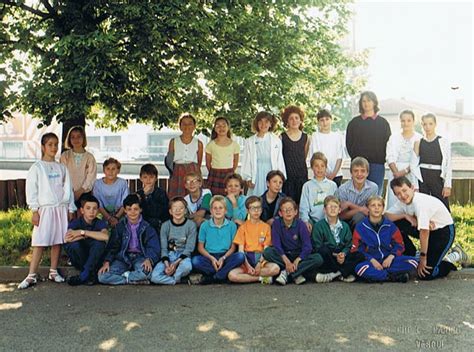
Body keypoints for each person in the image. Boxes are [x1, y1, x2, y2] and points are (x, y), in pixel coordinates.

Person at [18, 133, 76, 289]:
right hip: (45, 209)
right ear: (43, 147)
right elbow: (32, 190)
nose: (54, 148)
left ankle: (53, 271)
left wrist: (71, 208)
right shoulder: (37, 168)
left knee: (57, 240)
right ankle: (31, 275)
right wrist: (34, 210)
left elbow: (68, 189)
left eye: (56, 144)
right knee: (40, 241)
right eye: (50, 144)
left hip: (60, 208)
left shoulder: (61, 168)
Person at [385, 176, 469, 280]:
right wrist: (405, 216)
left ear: (412, 188)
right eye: (398, 193)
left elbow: (424, 232)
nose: (402, 195)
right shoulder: (402, 202)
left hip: (443, 232)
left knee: (427, 273)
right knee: (394, 223)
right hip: (428, 230)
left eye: (404, 190)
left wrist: (423, 258)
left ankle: (454, 256)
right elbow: (386, 216)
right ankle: (411, 253)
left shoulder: (419, 203)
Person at [352, 195, 418, 283]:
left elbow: (400, 245)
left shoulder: (390, 225)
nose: (376, 208)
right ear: (368, 208)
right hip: (371, 261)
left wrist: (391, 257)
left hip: (389, 260)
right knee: (360, 269)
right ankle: (392, 277)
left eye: (379, 205)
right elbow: (357, 250)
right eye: (373, 205)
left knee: (413, 262)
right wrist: (372, 260)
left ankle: (379, 275)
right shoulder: (360, 227)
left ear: (383, 209)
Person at [98, 194, 160, 285]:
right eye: (129, 209)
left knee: (147, 273)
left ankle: (126, 277)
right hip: (122, 257)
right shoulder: (120, 226)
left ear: (140, 210)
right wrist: (107, 261)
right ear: (125, 210)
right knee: (102, 276)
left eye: (136, 209)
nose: (132, 212)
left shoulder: (147, 227)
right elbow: (112, 246)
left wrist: (149, 259)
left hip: (140, 257)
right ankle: (131, 279)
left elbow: (153, 246)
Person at [263, 197, 323, 285]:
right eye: (285, 210)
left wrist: (298, 259)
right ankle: (296, 273)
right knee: (267, 252)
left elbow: (307, 246)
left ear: (295, 212)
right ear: (280, 213)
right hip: (283, 254)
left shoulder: (301, 224)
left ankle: (287, 273)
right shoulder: (276, 223)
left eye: (290, 209)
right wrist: (287, 261)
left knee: (318, 258)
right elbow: (276, 244)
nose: (288, 212)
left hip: (298, 254)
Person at [191, 195, 245, 284]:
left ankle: (215, 277)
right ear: (211, 211)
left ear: (225, 211)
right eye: (215, 208)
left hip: (226, 256)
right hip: (209, 256)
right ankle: (223, 275)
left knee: (240, 256)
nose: (218, 210)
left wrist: (223, 258)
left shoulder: (231, 225)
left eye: (221, 208)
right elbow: (200, 247)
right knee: (195, 261)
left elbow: (233, 247)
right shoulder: (205, 225)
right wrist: (212, 258)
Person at [310, 196, 364, 283]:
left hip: (342, 255)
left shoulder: (345, 226)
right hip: (329, 255)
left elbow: (349, 244)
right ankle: (344, 272)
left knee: (359, 255)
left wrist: (343, 253)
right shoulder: (318, 226)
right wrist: (336, 255)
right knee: (323, 250)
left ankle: (336, 274)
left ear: (339, 210)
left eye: (335, 207)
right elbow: (317, 246)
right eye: (330, 207)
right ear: (324, 210)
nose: (333, 209)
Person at [346, 91, 391, 195]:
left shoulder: (383, 123)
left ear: (374, 102)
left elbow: (388, 144)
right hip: (358, 165)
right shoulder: (354, 123)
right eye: (364, 101)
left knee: (374, 197)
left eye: (369, 100)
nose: (366, 103)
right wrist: (357, 159)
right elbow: (349, 144)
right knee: (357, 195)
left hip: (377, 165)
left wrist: (381, 159)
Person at [228, 196, 280, 284]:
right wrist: (248, 266)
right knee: (232, 275)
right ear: (248, 211)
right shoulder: (242, 228)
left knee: (275, 269)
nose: (256, 211)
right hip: (247, 258)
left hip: (261, 259)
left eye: (258, 208)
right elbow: (241, 250)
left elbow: (266, 249)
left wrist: (259, 263)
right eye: (253, 208)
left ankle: (249, 277)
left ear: (261, 209)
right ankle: (260, 279)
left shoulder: (266, 227)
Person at [64, 194, 109, 286]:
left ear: (98, 211)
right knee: (74, 245)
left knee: (99, 244)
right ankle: (89, 273)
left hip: (94, 256)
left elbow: (105, 236)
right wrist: (92, 235)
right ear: (82, 210)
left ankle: (84, 275)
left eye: (94, 209)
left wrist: (82, 232)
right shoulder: (75, 222)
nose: (91, 212)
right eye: (88, 208)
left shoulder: (100, 222)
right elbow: (67, 238)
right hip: (79, 258)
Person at [151, 197, 197, 285]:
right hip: (169, 255)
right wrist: (167, 264)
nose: (178, 211)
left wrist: (175, 264)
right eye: (175, 208)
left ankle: (172, 278)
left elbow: (189, 249)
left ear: (185, 211)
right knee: (154, 277)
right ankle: (175, 280)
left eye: (181, 208)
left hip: (183, 256)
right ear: (170, 211)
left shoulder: (191, 225)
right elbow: (164, 248)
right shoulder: (165, 226)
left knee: (187, 267)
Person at [412, 113, 452, 210]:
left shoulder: (443, 141)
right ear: (422, 125)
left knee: (442, 205)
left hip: (437, 177)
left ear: (435, 124)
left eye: (430, 124)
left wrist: (447, 185)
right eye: (425, 124)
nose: (427, 127)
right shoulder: (418, 142)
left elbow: (448, 164)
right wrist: (415, 186)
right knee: (423, 206)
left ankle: (446, 225)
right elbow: (413, 165)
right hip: (423, 177)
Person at [241, 111, 286, 196]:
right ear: (256, 123)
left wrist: (280, 177)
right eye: (260, 122)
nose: (263, 124)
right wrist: (248, 177)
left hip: (271, 171)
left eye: (266, 122)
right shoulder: (250, 141)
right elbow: (247, 160)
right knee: (256, 199)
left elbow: (279, 159)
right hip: (256, 173)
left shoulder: (276, 140)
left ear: (270, 124)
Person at [385, 110, 422, 209]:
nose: (406, 123)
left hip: (412, 171)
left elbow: (419, 159)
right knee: (395, 200)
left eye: (409, 120)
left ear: (414, 121)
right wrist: (396, 173)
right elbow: (389, 156)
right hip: (395, 171)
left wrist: (405, 171)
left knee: (411, 199)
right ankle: (394, 223)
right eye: (403, 121)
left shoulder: (419, 138)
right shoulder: (394, 137)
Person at [60, 125, 97, 212]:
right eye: (73, 137)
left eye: (79, 137)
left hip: (84, 193)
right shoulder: (65, 156)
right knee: (69, 216)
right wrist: (70, 191)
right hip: (68, 191)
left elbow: (91, 176)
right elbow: (63, 174)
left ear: (83, 138)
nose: (76, 139)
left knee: (83, 215)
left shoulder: (89, 157)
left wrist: (81, 190)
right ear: (69, 139)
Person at [336, 157, 378, 230]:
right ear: (351, 173)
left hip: (364, 220)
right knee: (358, 216)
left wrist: (350, 204)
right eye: (356, 171)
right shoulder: (343, 189)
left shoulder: (373, 188)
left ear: (367, 173)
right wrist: (360, 209)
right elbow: (342, 216)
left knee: (360, 217)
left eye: (362, 171)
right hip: (346, 222)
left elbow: (369, 211)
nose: (359, 174)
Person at [167, 113, 204, 198]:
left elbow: (199, 162)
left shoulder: (199, 143)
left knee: (193, 195)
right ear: (180, 126)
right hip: (177, 171)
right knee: (177, 196)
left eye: (190, 124)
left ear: (194, 126)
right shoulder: (173, 141)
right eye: (184, 124)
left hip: (193, 171)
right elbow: (169, 159)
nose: (187, 126)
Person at [299, 152, 337, 232]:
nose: (319, 169)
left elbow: (336, 205)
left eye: (322, 166)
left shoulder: (332, 185)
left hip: (328, 220)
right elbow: (304, 206)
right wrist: (305, 221)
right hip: (312, 220)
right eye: (316, 166)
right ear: (312, 167)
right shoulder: (307, 186)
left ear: (326, 167)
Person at [280, 105, 309, 203]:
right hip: (288, 177)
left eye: (297, 118)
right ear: (287, 121)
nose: (294, 121)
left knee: (302, 204)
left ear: (300, 120)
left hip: (302, 176)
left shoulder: (306, 138)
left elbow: (304, 156)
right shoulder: (281, 137)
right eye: (291, 118)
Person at [309, 109, 345, 187]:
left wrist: (333, 174)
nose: (325, 123)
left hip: (336, 175)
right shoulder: (315, 136)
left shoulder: (338, 136)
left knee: (334, 199)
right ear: (318, 122)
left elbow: (340, 157)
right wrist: (325, 173)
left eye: (327, 119)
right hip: (320, 175)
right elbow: (316, 157)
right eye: (322, 120)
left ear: (331, 120)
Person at [205, 117, 240, 196]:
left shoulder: (234, 145)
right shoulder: (210, 145)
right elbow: (208, 163)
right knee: (215, 198)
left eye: (224, 125)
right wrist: (214, 172)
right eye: (218, 126)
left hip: (229, 174)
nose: (221, 128)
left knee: (229, 197)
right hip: (214, 175)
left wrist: (229, 173)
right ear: (214, 128)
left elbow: (235, 162)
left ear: (228, 127)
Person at [93, 158, 129, 227]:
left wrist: (116, 217)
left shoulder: (123, 183)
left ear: (118, 170)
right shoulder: (97, 184)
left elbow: (125, 202)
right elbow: (98, 204)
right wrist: (108, 218)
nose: (110, 171)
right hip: (102, 215)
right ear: (104, 170)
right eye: (108, 169)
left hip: (120, 216)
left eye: (113, 169)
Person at [137, 163, 169, 235]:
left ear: (156, 178)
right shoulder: (138, 194)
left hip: (159, 223)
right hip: (143, 223)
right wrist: (144, 196)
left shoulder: (161, 193)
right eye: (145, 177)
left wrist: (148, 197)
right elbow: (139, 212)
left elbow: (161, 212)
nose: (148, 180)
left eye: (151, 177)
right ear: (141, 178)